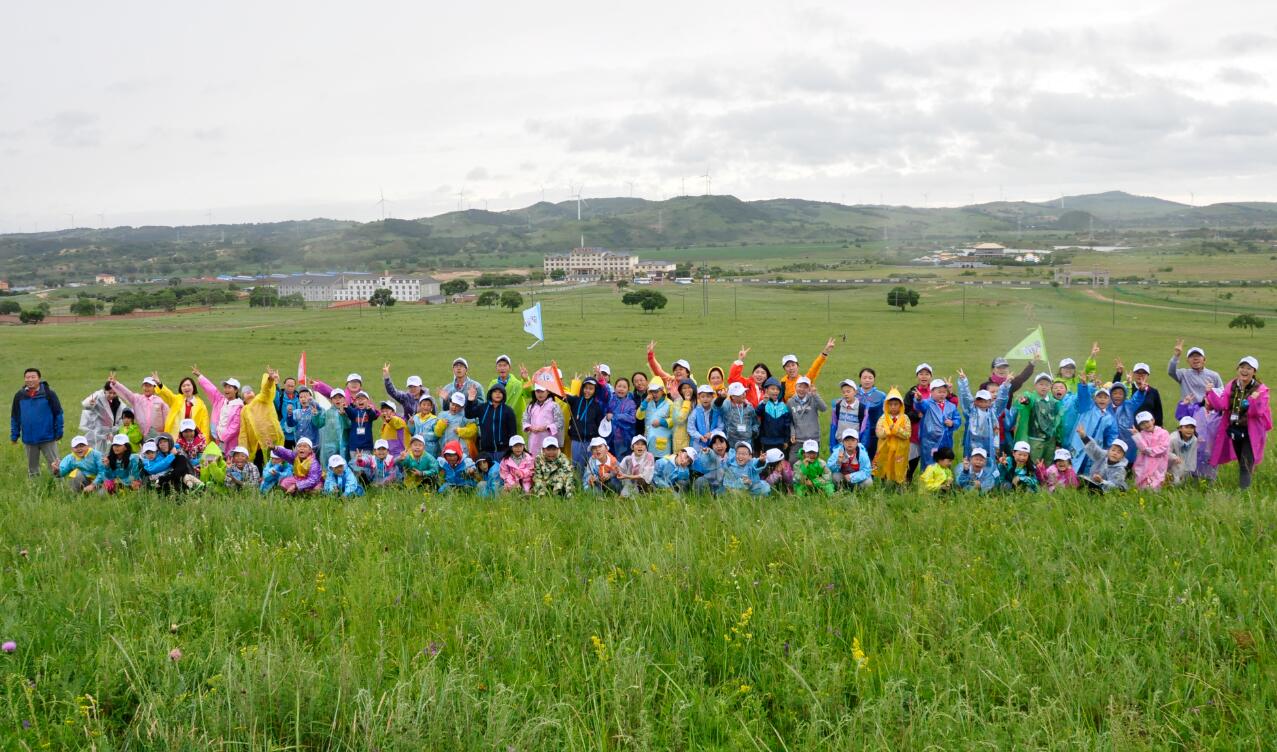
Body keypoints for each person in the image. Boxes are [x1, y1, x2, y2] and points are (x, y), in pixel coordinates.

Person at [1203, 356, 1269, 490]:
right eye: (1242, 367)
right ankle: (1247, 481)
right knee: (1242, 462)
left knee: (1245, 463)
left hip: (1251, 432)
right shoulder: (1232, 385)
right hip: (1235, 430)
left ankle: (1244, 494)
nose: (1245, 371)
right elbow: (1222, 405)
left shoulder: (1260, 390)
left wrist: (1254, 401)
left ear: (1254, 372)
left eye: (1249, 368)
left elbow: (1257, 413)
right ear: (1237, 369)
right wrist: (1210, 393)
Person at [11, 367, 64, 478]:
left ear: (39, 378)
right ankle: (35, 490)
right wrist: (14, 435)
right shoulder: (19, 396)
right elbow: (15, 417)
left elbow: (58, 413)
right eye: (27, 377)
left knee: (55, 466)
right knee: (33, 469)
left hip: (48, 437)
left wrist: (59, 431)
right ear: (24, 379)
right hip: (29, 439)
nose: (30, 380)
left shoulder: (49, 394)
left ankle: (59, 488)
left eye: (33, 377)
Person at [957, 369, 1011, 461]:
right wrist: (963, 381)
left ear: (990, 401)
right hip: (972, 441)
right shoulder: (972, 410)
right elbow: (965, 396)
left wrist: (1005, 385)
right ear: (975, 401)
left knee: (988, 461)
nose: (982, 403)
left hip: (989, 441)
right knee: (972, 461)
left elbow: (1002, 399)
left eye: (985, 401)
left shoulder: (993, 410)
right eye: (980, 400)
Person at [1070, 381, 1118, 476]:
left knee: (1089, 469)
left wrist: (1109, 449)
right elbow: (1083, 397)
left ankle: (1085, 486)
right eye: (1099, 397)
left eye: (1105, 397)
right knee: (1074, 466)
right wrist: (1084, 386)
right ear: (1095, 399)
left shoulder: (1110, 418)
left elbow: (1111, 435)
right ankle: (1071, 485)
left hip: (1095, 447)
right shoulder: (1087, 408)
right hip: (1079, 445)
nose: (1102, 400)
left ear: (1109, 401)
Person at [913, 377, 962, 470]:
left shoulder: (951, 406)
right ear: (931, 392)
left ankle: (945, 482)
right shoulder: (928, 404)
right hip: (930, 442)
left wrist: (952, 423)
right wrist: (919, 400)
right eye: (939, 392)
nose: (942, 394)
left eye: (944, 392)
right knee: (929, 463)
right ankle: (928, 482)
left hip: (946, 440)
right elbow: (920, 406)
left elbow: (957, 419)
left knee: (945, 462)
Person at [1012, 373, 1061, 464]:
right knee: (1034, 463)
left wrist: (1058, 440)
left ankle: (1045, 478)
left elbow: (1058, 421)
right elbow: (1022, 401)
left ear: (1050, 386)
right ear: (1035, 385)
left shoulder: (1053, 402)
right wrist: (1024, 401)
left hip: (1050, 440)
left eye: (1047, 385)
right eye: (1041, 384)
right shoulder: (1031, 397)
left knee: (1048, 463)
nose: (1044, 387)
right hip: (1035, 439)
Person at [1168, 340, 1224, 417]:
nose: (1195, 358)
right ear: (1187, 361)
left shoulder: (1214, 375)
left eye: (1198, 356)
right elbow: (1171, 371)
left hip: (1208, 413)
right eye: (1192, 356)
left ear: (1204, 359)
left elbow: (1222, 393)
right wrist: (1176, 356)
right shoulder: (1183, 374)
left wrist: (1212, 391)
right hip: (1189, 412)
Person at [240, 370, 284, 468]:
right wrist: (243, 447)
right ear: (243, 398)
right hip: (255, 444)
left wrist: (270, 379)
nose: (248, 392)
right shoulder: (244, 410)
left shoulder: (261, 399)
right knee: (258, 464)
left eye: (250, 390)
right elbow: (243, 431)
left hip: (269, 438)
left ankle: (276, 481)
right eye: (245, 392)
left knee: (275, 461)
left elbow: (266, 390)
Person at [564, 377, 607, 473]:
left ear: (595, 390)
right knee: (576, 466)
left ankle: (589, 486)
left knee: (590, 467)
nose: (587, 391)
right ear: (582, 388)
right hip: (576, 440)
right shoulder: (575, 400)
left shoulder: (597, 406)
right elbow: (561, 395)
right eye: (586, 388)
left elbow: (599, 424)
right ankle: (577, 485)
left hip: (591, 442)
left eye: (591, 389)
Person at [194, 368, 243, 453]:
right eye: (225, 387)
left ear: (236, 390)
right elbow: (211, 389)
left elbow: (235, 427)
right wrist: (200, 376)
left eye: (229, 387)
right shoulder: (220, 400)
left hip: (230, 442)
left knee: (229, 460)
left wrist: (222, 439)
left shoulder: (239, 407)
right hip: (217, 439)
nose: (226, 390)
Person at [108, 374, 169, 440]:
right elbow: (127, 393)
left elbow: (167, 418)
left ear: (154, 388)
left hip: (158, 435)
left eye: (149, 386)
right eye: (145, 386)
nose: (146, 388)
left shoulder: (160, 401)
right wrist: (116, 384)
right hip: (141, 435)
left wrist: (166, 434)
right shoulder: (137, 399)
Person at [873, 388, 910, 487]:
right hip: (885, 448)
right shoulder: (883, 418)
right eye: (891, 404)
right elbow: (879, 433)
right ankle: (883, 484)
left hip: (900, 450)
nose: (893, 407)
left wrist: (897, 430)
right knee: (884, 465)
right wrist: (887, 431)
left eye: (896, 404)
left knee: (899, 466)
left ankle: (899, 484)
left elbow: (907, 434)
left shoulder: (905, 418)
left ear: (901, 405)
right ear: (886, 405)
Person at [155, 374, 210, 439]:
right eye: (183, 386)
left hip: (193, 438)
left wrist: (204, 440)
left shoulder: (200, 405)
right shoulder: (176, 400)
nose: (186, 388)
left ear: (193, 387)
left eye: (188, 385)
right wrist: (160, 384)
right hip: (175, 436)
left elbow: (204, 425)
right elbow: (168, 394)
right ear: (181, 389)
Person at [787, 377, 827, 462]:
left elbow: (824, 408)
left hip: (813, 438)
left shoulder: (813, 399)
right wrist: (792, 433)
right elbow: (790, 421)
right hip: (798, 439)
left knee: (812, 463)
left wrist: (815, 395)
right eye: (800, 386)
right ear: (795, 387)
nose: (802, 389)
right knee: (793, 461)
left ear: (808, 388)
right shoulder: (790, 402)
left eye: (805, 387)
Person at [79, 381, 126, 454]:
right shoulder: (98, 396)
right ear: (105, 391)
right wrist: (91, 404)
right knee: (94, 451)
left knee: (108, 453)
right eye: (110, 393)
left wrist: (116, 427)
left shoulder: (118, 401)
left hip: (110, 433)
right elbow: (86, 405)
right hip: (97, 431)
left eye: (114, 393)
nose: (112, 395)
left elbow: (122, 414)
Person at [1113, 360, 1163, 427]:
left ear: (1148, 375)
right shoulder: (1128, 387)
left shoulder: (1153, 392)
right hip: (1129, 428)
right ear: (1133, 374)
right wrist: (1118, 374)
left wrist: (1158, 428)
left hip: (1147, 428)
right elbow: (1114, 392)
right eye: (1138, 373)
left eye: (1144, 373)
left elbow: (1158, 413)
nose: (1140, 376)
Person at [756, 377, 791, 460]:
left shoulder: (783, 406)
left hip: (780, 441)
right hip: (766, 440)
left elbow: (787, 424)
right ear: (766, 390)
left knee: (780, 461)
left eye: (777, 389)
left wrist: (786, 440)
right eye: (772, 389)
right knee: (768, 461)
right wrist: (764, 403)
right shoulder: (764, 404)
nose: (775, 391)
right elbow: (757, 412)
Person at [855, 368, 887, 459]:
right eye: (864, 378)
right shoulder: (853, 393)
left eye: (870, 378)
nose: (867, 380)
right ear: (860, 379)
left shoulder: (881, 396)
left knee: (872, 457)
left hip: (874, 433)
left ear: (874, 379)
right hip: (856, 431)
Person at [488, 355, 527, 427]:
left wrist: (526, 380)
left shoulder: (518, 384)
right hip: (497, 422)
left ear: (510, 368)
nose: (502, 368)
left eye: (505, 365)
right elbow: (489, 402)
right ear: (496, 368)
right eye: (499, 365)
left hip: (515, 423)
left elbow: (529, 395)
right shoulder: (492, 384)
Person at [312, 390, 349, 465]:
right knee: (331, 466)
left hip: (344, 445)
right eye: (335, 398)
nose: (337, 400)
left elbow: (348, 425)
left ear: (344, 399)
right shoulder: (327, 412)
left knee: (343, 466)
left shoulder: (348, 411)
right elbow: (319, 424)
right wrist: (316, 416)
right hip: (330, 447)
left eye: (340, 397)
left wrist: (343, 415)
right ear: (331, 400)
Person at [721, 382, 758, 453]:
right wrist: (721, 397)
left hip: (747, 442)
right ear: (733, 396)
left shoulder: (749, 407)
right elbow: (716, 407)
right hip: (731, 443)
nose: (744, 394)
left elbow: (755, 422)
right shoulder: (727, 406)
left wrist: (753, 432)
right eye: (740, 393)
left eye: (744, 392)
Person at [605, 377, 637, 460]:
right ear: (614, 388)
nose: (621, 389)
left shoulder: (631, 403)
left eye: (624, 387)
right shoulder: (610, 400)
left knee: (622, 461)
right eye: (619, 386)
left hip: (624, 439)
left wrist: (615, 416)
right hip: (609, 436)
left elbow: (632, 419)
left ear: (628, 390)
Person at [344, 391, 379, 460]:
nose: (360, 400)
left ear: (368, 401)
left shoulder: (369, 412)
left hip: (366, 446)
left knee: (366, 465)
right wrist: (346, 407)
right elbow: (350, 412)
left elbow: (374, 416)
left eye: (363, 399)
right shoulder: (354, 411)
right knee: (355, 465)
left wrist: (369, 410)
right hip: (354, 445)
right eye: (358, 399)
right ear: (355, 402)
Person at [828, 379, 861, 452]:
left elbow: (864, 428)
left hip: (855, 445)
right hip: (840, 443)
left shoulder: (861, 408)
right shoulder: (838, 406)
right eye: (843, 392)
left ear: (855, 392)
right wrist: (832, 445)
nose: (846, 394)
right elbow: (834, 426)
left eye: (848, 391)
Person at [687, 384, 722, 452]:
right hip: (697, 445)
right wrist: (700, 436)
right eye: (702, 397)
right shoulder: (695, 412)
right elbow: (690, 428)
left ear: (712, 397)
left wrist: (712, 433)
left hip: (713, 443)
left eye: (708, 396)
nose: (705, 399)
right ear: (699, 397)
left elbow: (720, 426)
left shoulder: (715, 411)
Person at [1168, 416, 1199, 485]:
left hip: (1184, 463)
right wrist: (1174, 457)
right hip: (1172, 463)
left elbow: (1192, 456)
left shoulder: (1194, 440)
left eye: (1192, 427)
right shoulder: (1173, 439)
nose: (1189, 430)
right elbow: (1166, 452)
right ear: (1180, 428)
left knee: (1182, 481)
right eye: (1186, 427)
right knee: (1174, 481)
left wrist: (1189, 468)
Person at [273, 376, 302, 448]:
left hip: (297, 434)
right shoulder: (280, 397)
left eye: (292, 386)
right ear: (284, 385)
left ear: (295, 386)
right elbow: (273, 394)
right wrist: (275, 384)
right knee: (284, 456)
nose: (290, 388)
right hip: (283, 434)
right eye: (288, 386)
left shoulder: (300, 397)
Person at [670, 379, 696, 453]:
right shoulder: (677, 402)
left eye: (689, 387)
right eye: (684, 388)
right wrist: (687, 402)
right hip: (681, 438)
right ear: (680, 391)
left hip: (695, 438)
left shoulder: (697, 401)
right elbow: (679, 419)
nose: (687, 390)